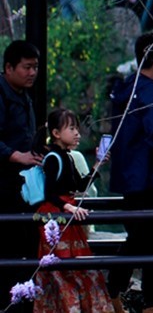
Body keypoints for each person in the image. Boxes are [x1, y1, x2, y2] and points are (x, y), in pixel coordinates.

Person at [107, 32, 153, 313]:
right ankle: (152, 300)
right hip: (152, 177)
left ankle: (114, 291)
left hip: (129, 177)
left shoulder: (126, 89)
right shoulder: (151, 92)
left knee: (137, 238)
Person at [33, 108, 114, 313]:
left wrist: (97, 164)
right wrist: (68, 206)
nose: (77, 133)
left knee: (74, 267)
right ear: (56, 133)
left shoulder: (67, 157)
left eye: (76, 128)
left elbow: (79, 185)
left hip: (67, 214)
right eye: (71, 128)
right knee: (62, 269)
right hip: (56, 217)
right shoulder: (53, 157)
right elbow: (49, 192)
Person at [0, 40, 42, 312]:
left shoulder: (24, 96)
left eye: (35, 67)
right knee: (8, 249)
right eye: (27, 67)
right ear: (9, 68)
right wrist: (16, 156)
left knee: (26, 248)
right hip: (4, 185)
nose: (32, 73)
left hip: (23, 187)